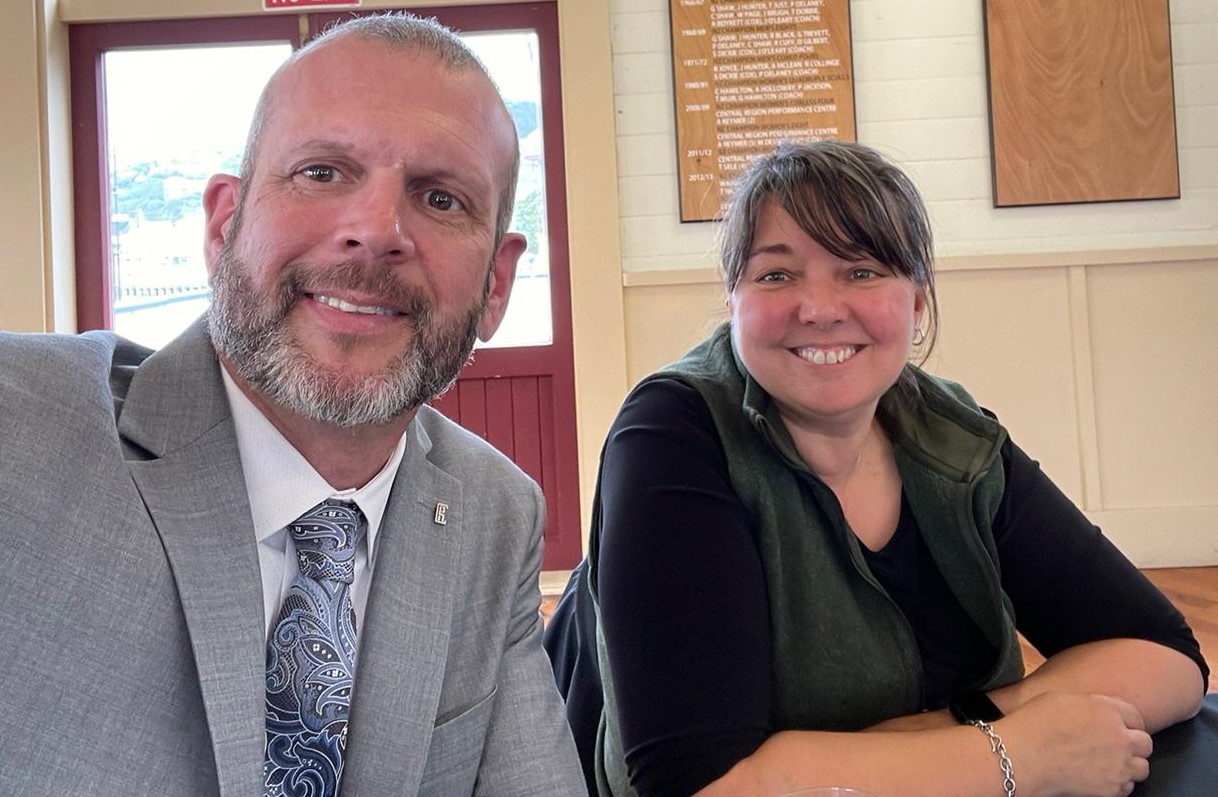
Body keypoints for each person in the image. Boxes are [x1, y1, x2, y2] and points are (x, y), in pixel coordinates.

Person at [0, 13, 585, 796]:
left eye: (441, 198)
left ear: (497, 287)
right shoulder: (24, 424)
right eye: (321, 172)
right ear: (222, 225)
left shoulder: (493, 514)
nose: (375, 231)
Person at [544, 141, 1209, 797]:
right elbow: (700, 782)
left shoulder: (955, 437)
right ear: (732, 300)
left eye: (861, 270)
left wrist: (941, 732)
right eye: (776, 274)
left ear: (917, 302)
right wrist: (1016, 755)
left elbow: (1165, 652)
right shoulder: (673, 433)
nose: (821, 307)